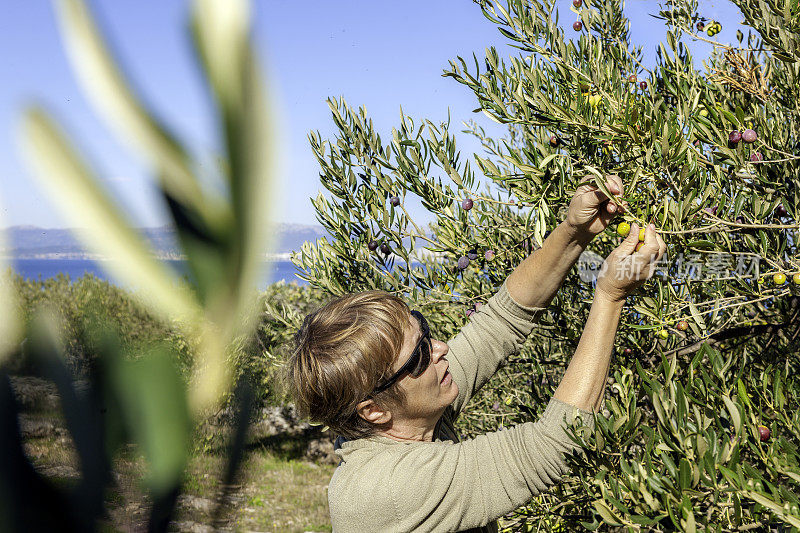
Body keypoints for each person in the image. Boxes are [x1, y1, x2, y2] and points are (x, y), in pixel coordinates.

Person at [287, 176, 666, 532]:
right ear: (373, 410)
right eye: (419, 356)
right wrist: (611, 296)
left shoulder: (411, 416)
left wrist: (574, 231)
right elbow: (558, 444)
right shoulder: (384, 490)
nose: (440, 349)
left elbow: (503, 318)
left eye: (426, 333)